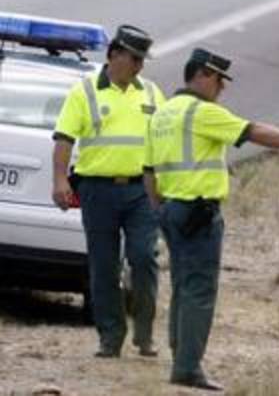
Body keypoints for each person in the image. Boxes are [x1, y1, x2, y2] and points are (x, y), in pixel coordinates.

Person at [144, 48, 279, 391]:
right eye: (219, 80)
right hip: (198, 212)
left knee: (182, 288)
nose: (221, 89)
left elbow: (147, 170)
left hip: (170, 209)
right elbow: (254, 131)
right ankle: (187, 368)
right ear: (201, 75)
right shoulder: (202, 112)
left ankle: (180, 358)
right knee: (200, 290)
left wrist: (158, 208)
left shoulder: (163, 113)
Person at [52, 25, 166, 359]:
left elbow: (168, 136)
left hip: (141, 191)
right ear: (114, 54)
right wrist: (60, 179)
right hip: (97, 191)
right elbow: (64, 139)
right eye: (134, 59)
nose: (139, 67)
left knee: (144, 259)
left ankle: (144, 334)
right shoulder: (84, 92)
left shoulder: (151, 93)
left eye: (143, 60)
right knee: (103, 266)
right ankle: (110, 336)